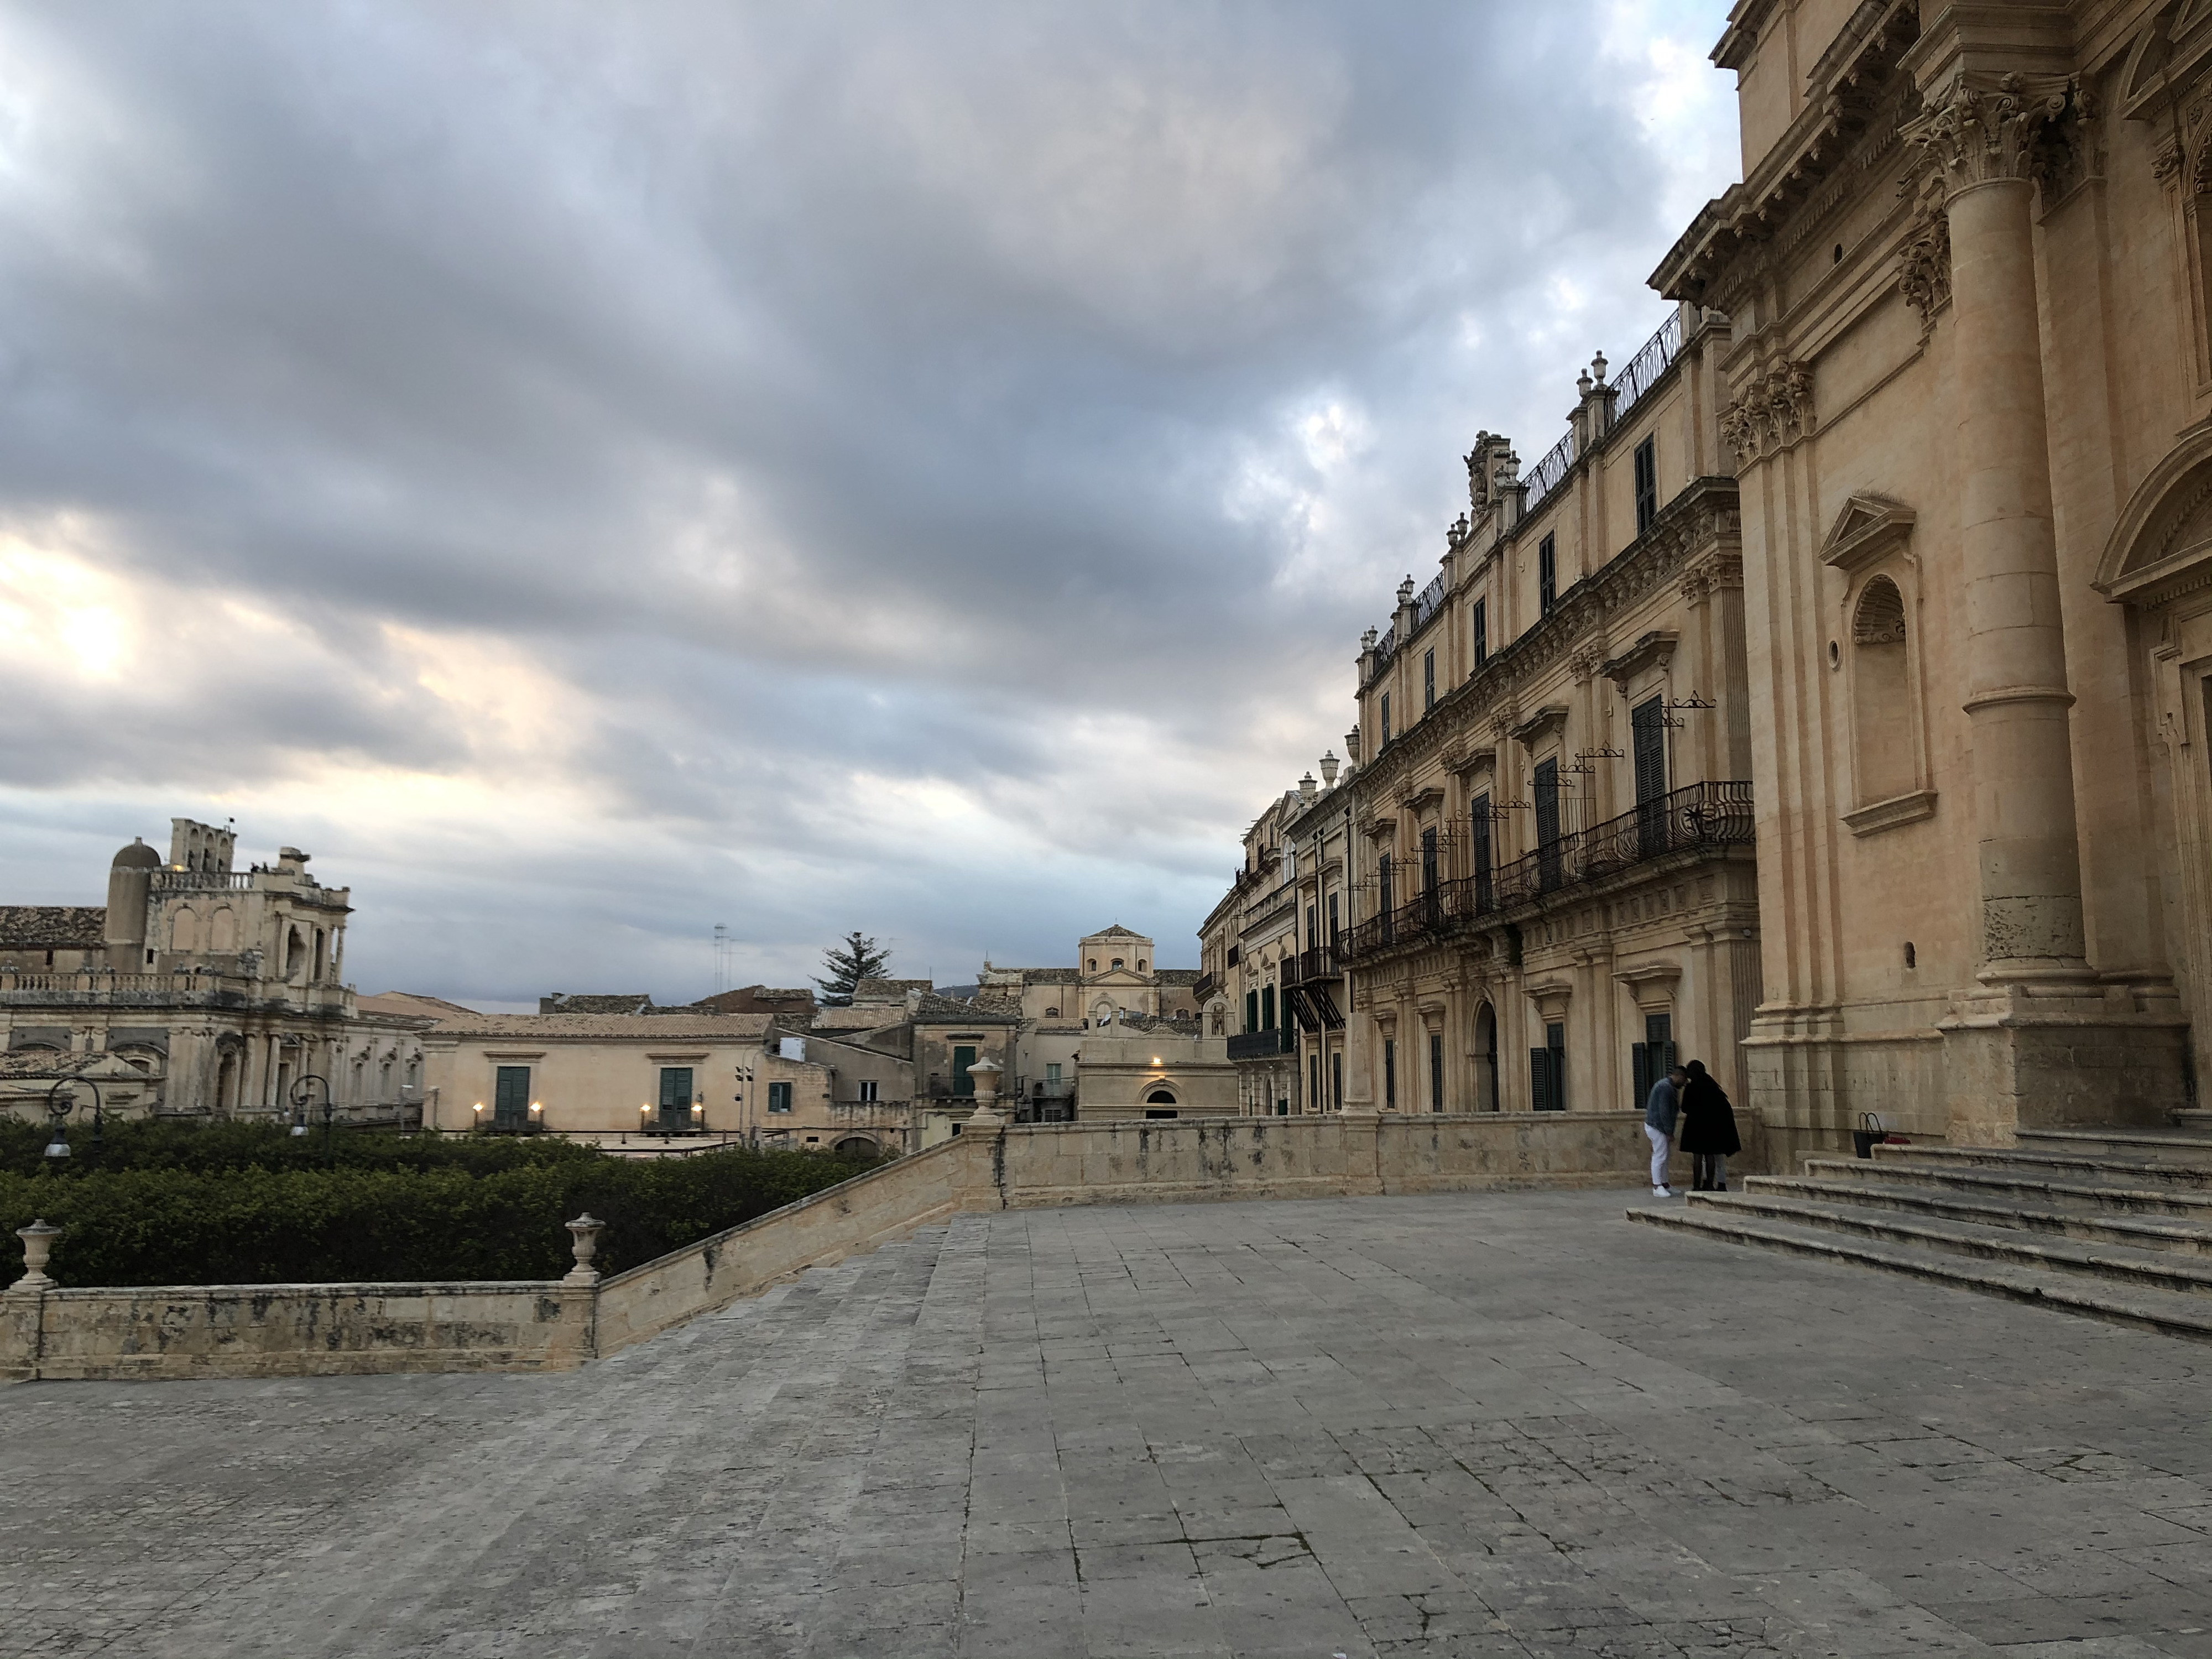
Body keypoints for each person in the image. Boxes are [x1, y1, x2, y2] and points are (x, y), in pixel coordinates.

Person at [1678, 1059, 1742, 1191]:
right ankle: (1710, 1185)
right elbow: (1724, 1107)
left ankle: (1697, 1185)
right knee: (1710, 1155)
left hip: (1695, 1126)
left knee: (1697, 1157)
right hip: (1711, 1127)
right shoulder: (1712, 1085)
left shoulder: (1691, 1087)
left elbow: (1685, 1108)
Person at [1642, 1062, 1686, 1197]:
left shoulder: (1667, 1086)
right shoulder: (1666, 1088)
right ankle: (1657, 1186)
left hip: (1657, 1125)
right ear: (1678, 1076)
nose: (1684, 1083)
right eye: (1684, 1080)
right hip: (1657, 1126)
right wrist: (1669, 1132)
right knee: (1659, 1156)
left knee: (1664, 1156)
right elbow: (1664, 1112)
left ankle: (1665, 1184)